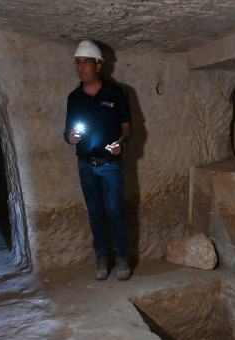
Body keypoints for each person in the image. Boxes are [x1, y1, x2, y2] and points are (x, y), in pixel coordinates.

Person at [64, 40, 132, 280]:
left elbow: (127, 129)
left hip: (110, 166)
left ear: (99, 66)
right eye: (78, 62)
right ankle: (102, 260)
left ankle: (122, 259)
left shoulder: (115, 93)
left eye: (86, 62)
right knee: (95, 214)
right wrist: (70, 137)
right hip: (86, 165)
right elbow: (67, 132)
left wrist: (120, 144)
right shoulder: (74, 98)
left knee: (114, 213)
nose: (81, 67)